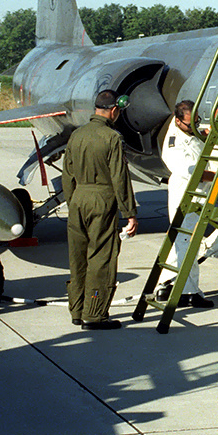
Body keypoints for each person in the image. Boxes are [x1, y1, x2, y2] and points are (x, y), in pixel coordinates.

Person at [61, 90, 138, 330]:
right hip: (101, 200)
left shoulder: (76, 135)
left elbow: (67, 174)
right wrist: (130, 213)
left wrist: (74, 201)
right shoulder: (112, 138)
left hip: (77, 199)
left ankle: (76, 310)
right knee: (101, 259)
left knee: (78, 257)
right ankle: (94, 315)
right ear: (114, 111)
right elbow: (119, 177)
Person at [160, 100, 218, 308]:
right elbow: (194, 173)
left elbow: (200, 136)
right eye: (190, 124)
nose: (195, 127)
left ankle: (166, 283)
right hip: (186, 195)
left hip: (198, 195)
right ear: (178, 121)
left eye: (197, 121)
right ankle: (188, 293)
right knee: (188, 243)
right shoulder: (173, 145)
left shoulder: (187, 129)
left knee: (180, 240)